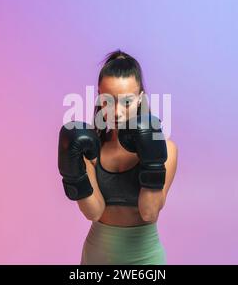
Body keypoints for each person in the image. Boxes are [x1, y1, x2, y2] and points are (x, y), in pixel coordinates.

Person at [58, 50, 178, 264]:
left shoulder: (166, 149)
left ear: (141, 98)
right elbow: (94, 212)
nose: (117, 112)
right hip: (97, 256)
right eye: (108, 102)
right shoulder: (91, 149)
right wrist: (73, 173)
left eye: (127, 102)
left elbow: (149, 213)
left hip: (145, 258)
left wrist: (151, 159)